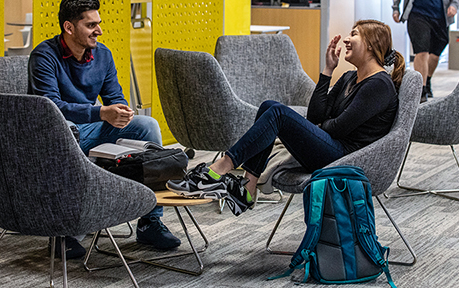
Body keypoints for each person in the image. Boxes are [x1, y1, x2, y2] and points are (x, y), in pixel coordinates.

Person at [167, 20, 405, 216]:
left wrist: (324, 125)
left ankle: (219, 169)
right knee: (269, 107)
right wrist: (328, 70)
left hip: (347, 159)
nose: (345, 39)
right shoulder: (349, 78)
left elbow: (339, 129)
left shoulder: (379, 85)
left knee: (278, 113)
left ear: (372, 45)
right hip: (332, 147)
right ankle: (248, 186)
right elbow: (315, 116)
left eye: (354, 34)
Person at [28, 0, 181, 258]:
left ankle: (150, 220)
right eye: (90, 25)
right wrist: (101, 112)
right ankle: (64, 231)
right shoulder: (44, 56)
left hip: (91, 128)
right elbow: (49, 108)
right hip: (60, 134)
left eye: (98, 23)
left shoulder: (102, 55)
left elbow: (114, 97)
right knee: (68, 127)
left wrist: (121, 112)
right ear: (69, 27)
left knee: (147, 126)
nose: (98, 30)